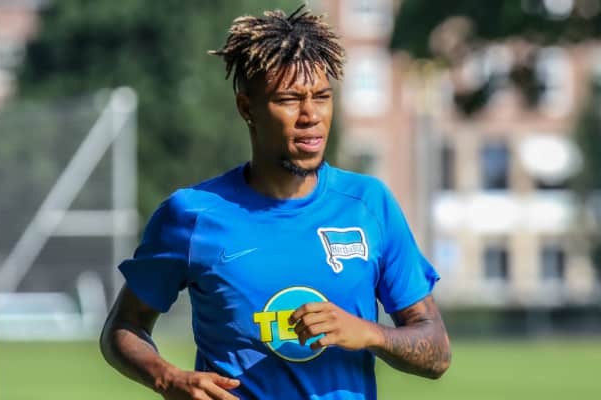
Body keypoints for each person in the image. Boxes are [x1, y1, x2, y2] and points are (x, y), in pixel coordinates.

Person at [100, 5, 450, 400]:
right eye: (289, 99)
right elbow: (122, 328)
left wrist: (368, 333)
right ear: (247, 108)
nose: (310, 115)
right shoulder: (192, 215)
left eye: (322, 97)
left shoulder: (370, 204)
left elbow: (437, 351)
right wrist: (167, 378)